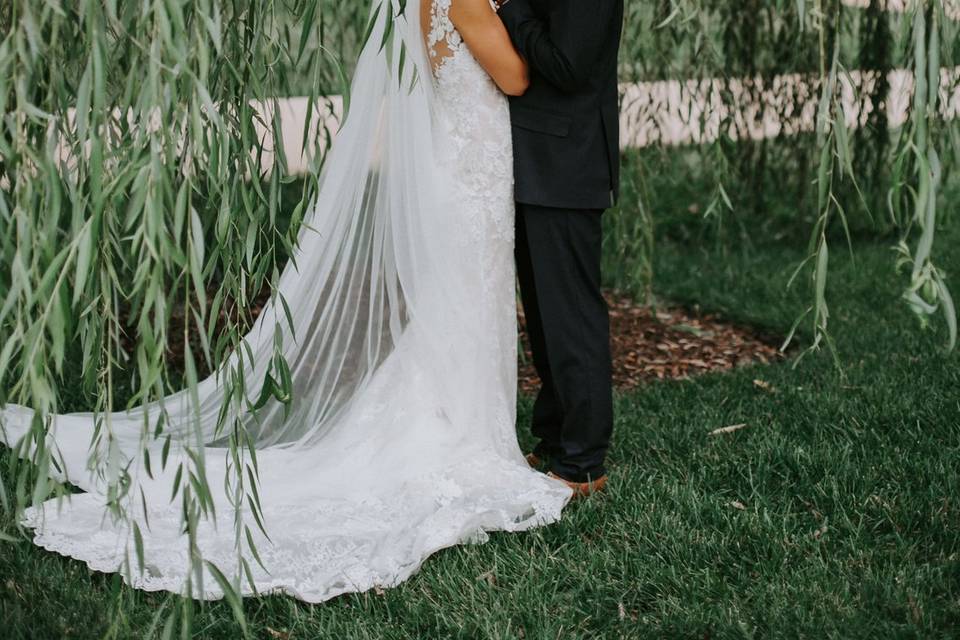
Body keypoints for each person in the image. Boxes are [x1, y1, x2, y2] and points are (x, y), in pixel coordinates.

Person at [0, 0, 603, 603]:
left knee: (461, 312)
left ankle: (471, 421)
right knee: (467, 309)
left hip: (466, 169)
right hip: (475, 175)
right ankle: (462, 431)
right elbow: (518, 77)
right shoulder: (467, 1)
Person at [498, 0, 623, 493]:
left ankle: (584, 460)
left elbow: (569, 66)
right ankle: (554, 437)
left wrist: (510, 11)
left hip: (567, 164)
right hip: (540, 161)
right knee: (547, 317)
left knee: (571, 315)